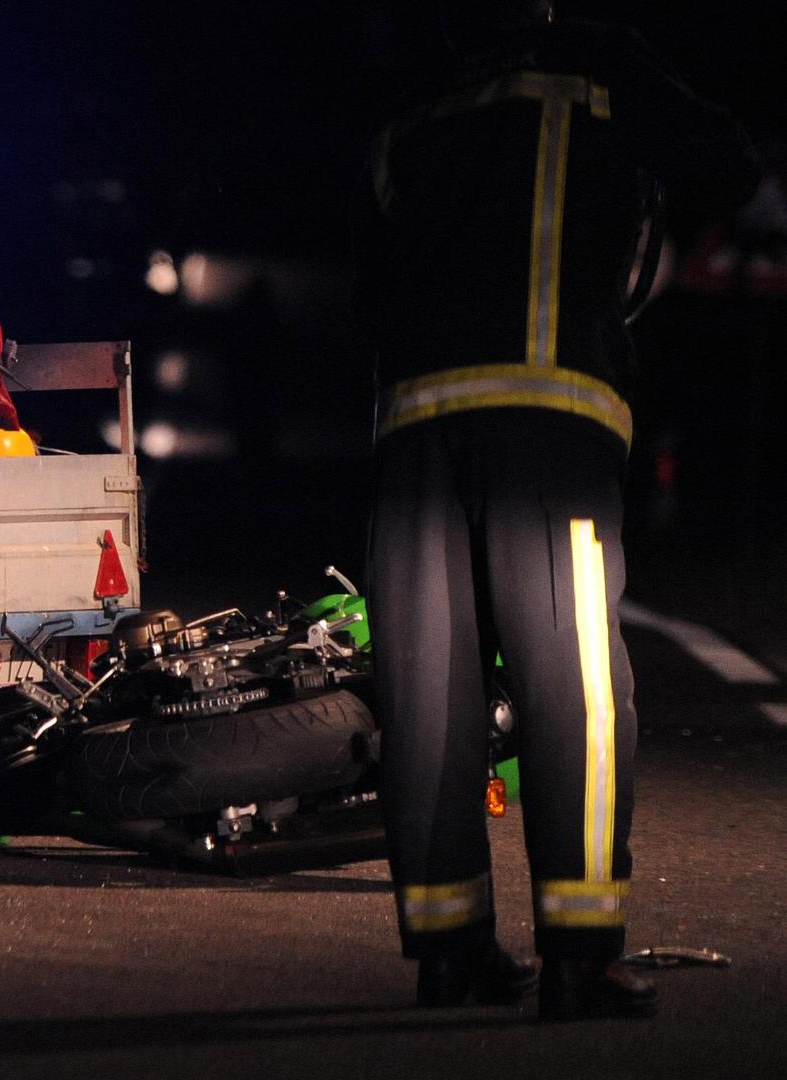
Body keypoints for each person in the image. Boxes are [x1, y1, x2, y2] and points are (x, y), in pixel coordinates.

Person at [356, 1, 759, 1019]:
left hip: (413, 424)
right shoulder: (598, 70)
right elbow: (729, 162)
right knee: (574, 685)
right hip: (548, 413)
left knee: (426, 692)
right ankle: (581, 955)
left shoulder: (418, 103)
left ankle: (449, 953)